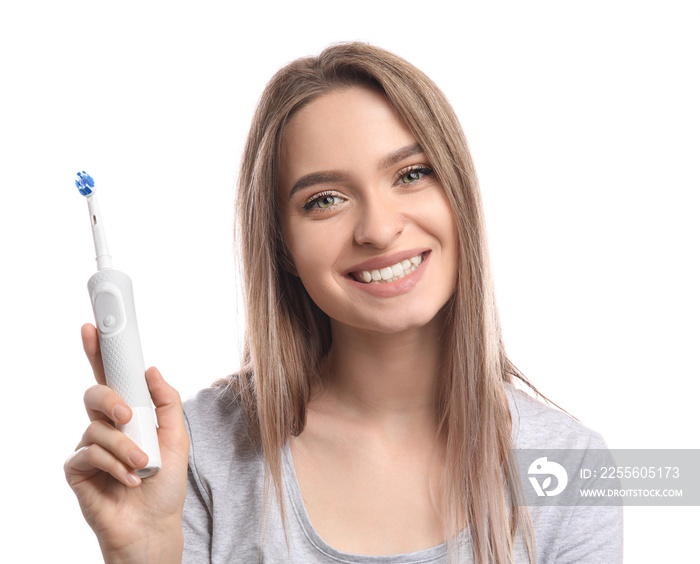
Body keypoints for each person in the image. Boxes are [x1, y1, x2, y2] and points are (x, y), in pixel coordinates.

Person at [65, 42, 623, 563]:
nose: (379, 230)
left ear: (460, 195)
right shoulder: (196, 454)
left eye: (411, 174)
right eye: (325, 200)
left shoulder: (573, 466)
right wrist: (148, 554)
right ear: (281, 246)